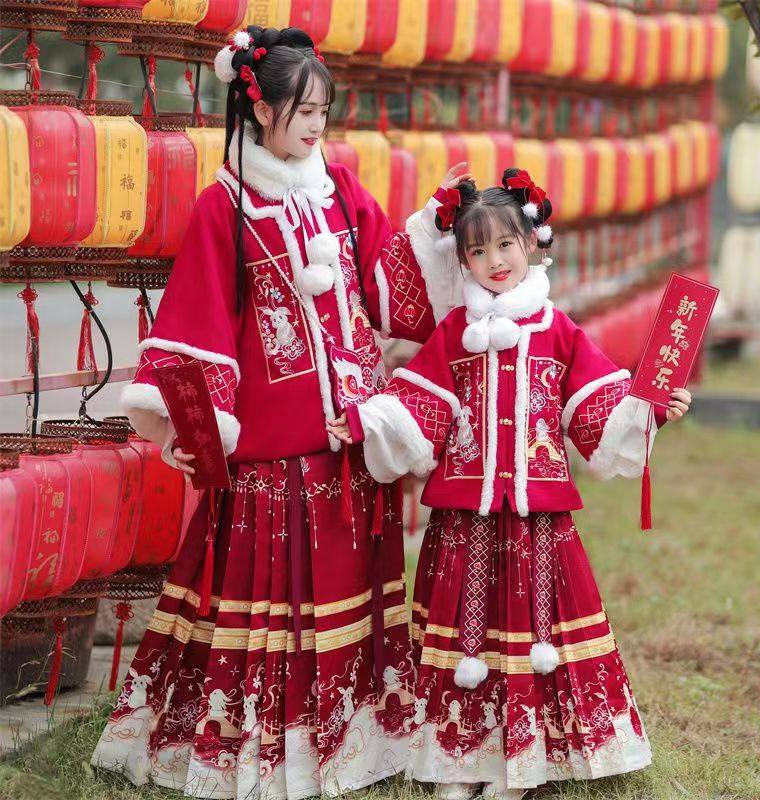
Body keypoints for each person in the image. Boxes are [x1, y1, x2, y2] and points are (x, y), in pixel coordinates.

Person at [91, 25, 468, 799]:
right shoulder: (223, 207)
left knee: (355, 588)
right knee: (268, 600)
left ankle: (355, 738)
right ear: (260, 108)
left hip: (352, 433)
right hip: (273, 440)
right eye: (304, 109)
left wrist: (433, 233)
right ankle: (261, 745)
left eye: (325, 111)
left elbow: (391, 296)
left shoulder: (341, 193)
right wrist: (208, 429)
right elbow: (199, 321)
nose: (317, 124)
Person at [327, 170, 692, 799]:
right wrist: (371, 418)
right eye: (477, 250)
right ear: (462, 259)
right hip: (464, 518)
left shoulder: (558, 331)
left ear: (532, 244)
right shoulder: (454, 336)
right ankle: (459, 755)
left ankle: (521, 763)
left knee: (531, 633)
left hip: (538, 519)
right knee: (465, 638)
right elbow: (421, 404)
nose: (493, 261)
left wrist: (650, 408)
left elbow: (598, 403)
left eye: (506, 245)